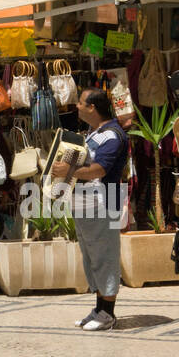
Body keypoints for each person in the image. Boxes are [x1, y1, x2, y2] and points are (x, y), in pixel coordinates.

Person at [50, 86, 129, 332]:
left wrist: (69, 171)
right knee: (92, 257)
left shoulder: (112, 135)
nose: (77, 107)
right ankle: (99, 309)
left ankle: (108, 314)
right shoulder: (94, 132)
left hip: (104, 204)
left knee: (105, 258)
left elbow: (100, 170)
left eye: (81, 103)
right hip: (86, 204)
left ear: (92, 107)